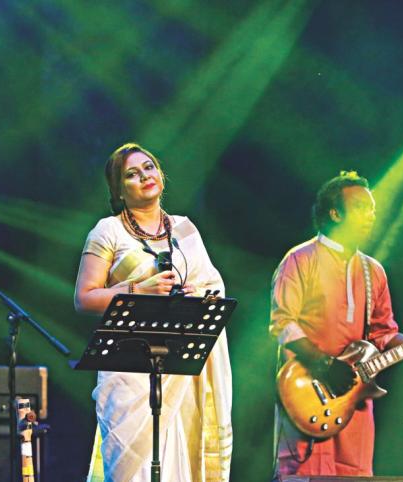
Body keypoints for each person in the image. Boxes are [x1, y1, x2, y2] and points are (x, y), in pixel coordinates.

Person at [270, 171, 403, 477]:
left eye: (372, 209)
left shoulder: (373, 270)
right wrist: (325, 363)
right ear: (335, 213)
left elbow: (385, 334)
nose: (370, 215)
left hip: (354, 402)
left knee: (354, 474)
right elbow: (283, 324)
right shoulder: (300, 259)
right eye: (361, 208)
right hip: (307, 393)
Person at [74, 143, 232, 482]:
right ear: (118, 190)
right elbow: (84, 299)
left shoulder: (185, 229)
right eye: (132, 174)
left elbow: (213, 287)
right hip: (129, 371)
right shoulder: (108, 231)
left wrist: (197, 295)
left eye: (149, 167)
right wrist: (137, 291)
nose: (144, 176)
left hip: (180, 365)